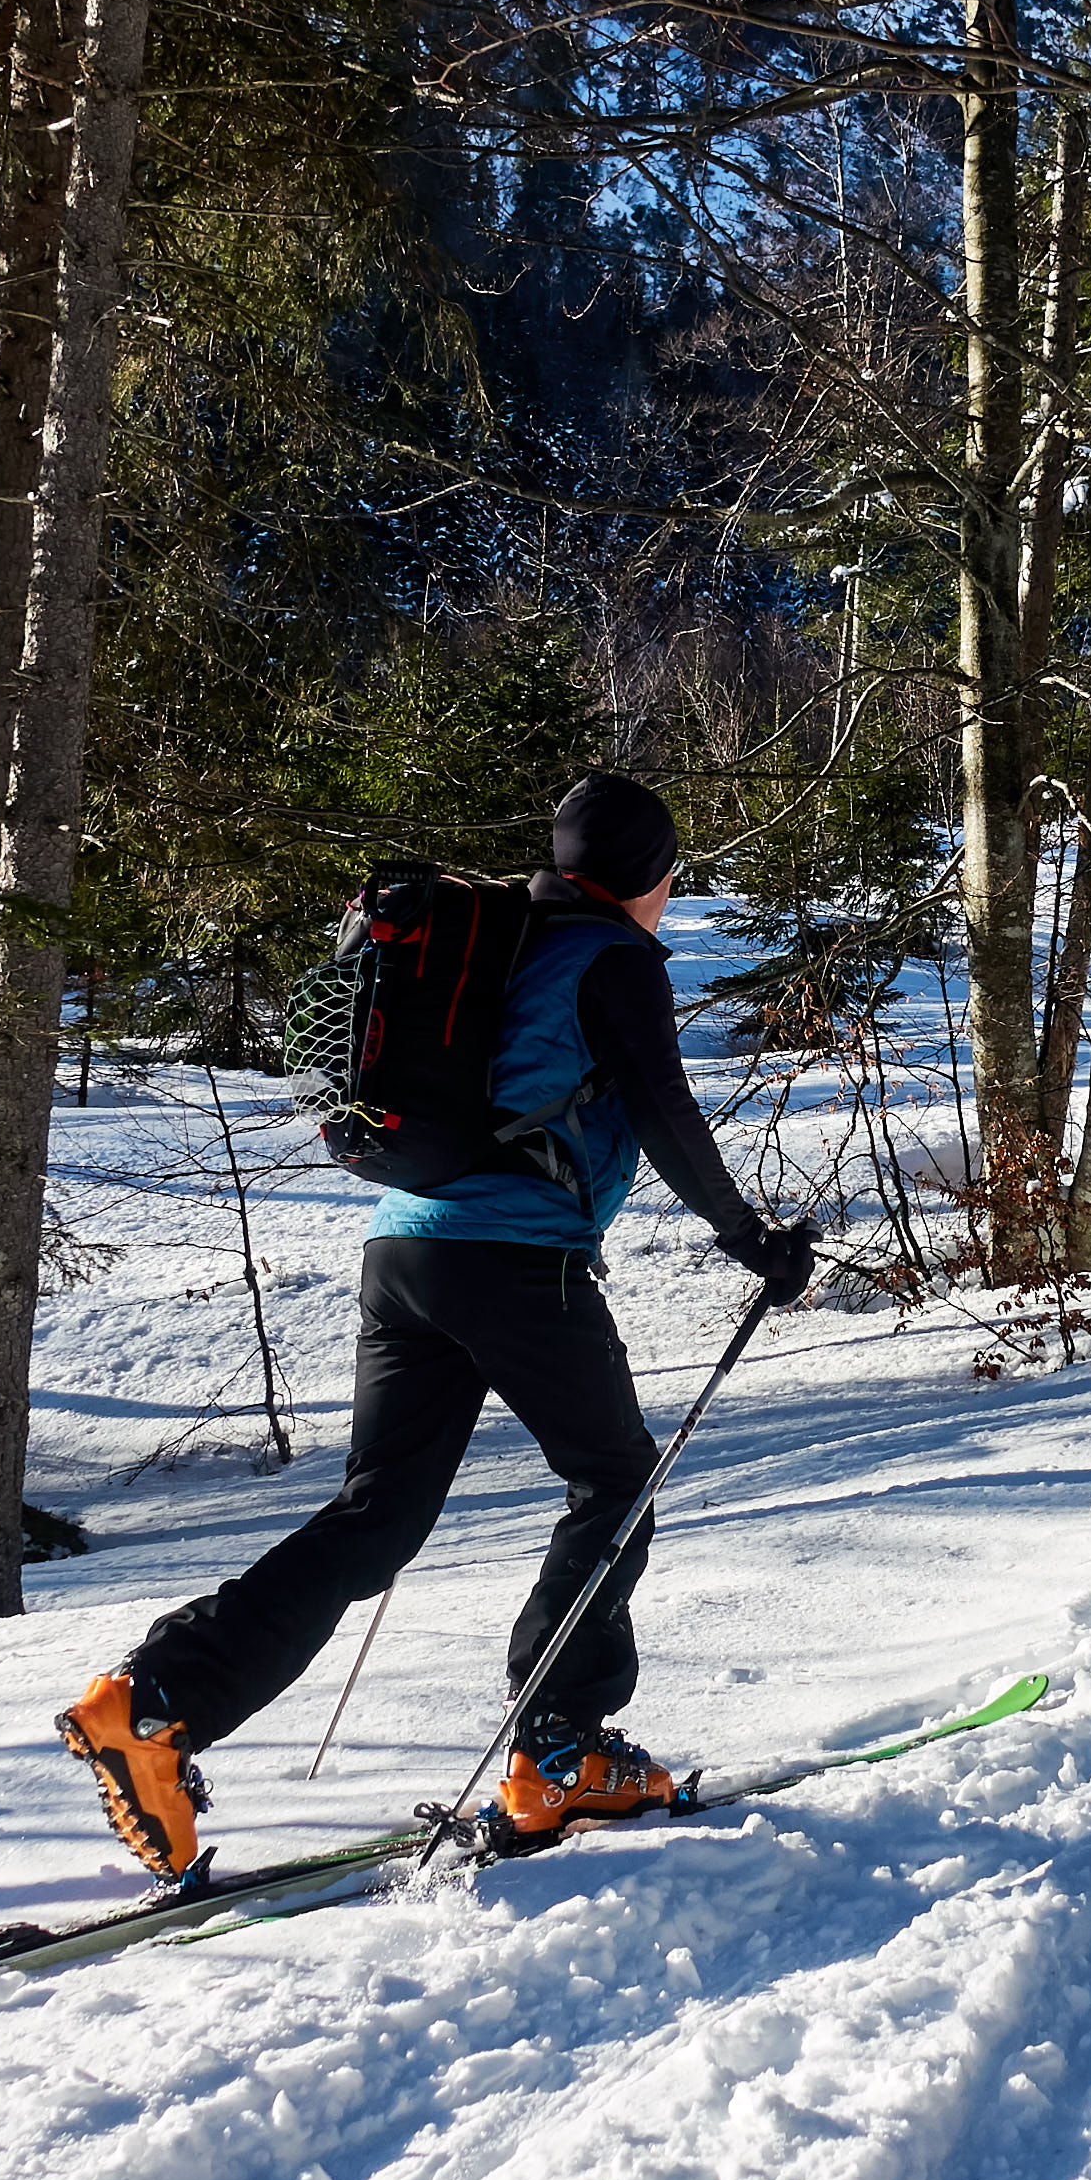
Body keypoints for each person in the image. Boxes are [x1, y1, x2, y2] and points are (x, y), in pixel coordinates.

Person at [56, 771, 817, 1878]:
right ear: (648, 879)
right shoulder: (610, 956)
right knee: (615, 1482)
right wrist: (750, 1236)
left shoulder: (502, 938)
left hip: (401, 1249)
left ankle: (155, 1700)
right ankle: (559, 1751)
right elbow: (662, 1107)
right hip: (512, 1260)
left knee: (378, 1514)